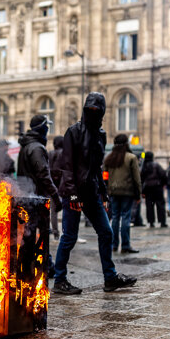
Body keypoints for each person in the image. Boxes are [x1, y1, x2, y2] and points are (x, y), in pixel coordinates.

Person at [53, 92, 137, 294]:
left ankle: (110, 277)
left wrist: (103, 192)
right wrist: (72, 195)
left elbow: (97, 166)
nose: (92, 113)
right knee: (70, 236)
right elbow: (67, 166)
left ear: (101, 113)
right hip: (73, 191)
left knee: (106, 232)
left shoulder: (100, 134)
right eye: (89, 110)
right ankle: (59, 279)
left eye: (96, 110)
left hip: (90, 191)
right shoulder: (73, 132)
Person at [17, 114, 62, 275]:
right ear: (41, 127)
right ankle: (36, 268)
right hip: (36, 199)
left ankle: (45, 264)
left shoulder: (26, 146)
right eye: (46, 126)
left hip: (26, 196)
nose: (48, 129)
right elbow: (43, 174)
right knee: (39, 233)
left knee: (30, 234)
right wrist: (55, 195)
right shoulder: (36, 147)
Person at [104, 134, 142, 253]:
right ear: (126, 143)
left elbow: (105, 176)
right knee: (126, 217)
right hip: (127, 191)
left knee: (115, 217)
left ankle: (114, 245)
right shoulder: (131, 158)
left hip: (113, 191)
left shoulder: (109, 158)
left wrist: (107, 190)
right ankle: (125, 245)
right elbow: (137, 178)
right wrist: (138, 193)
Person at [141, 152, 168, 228]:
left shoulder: (143, 167)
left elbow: (141, 179)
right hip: (157, 187)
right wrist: (163, 184)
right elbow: (163, 175)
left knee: (149, 206)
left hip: (148, 188)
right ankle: (162, 222)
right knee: (160, 205)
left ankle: (151, 222)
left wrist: (142, 191)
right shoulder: (156, 165)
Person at [48, 135, 65, 239]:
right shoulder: (65, 153)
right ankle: (66, 231)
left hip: (52, 185)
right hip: (63, 185)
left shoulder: (50, 153)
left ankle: (55, 233)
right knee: (67, 208)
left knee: (53, 211)